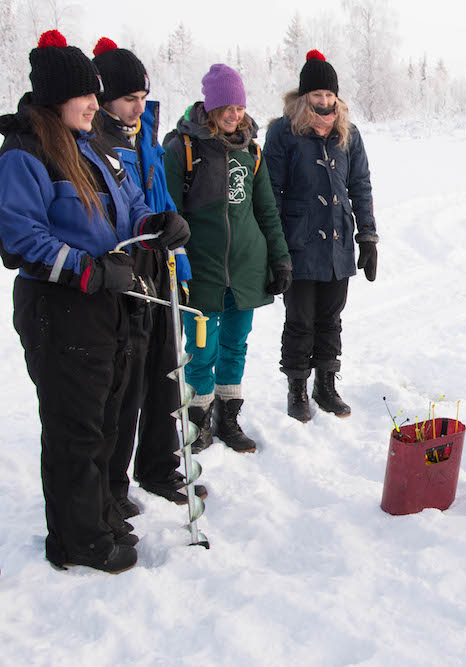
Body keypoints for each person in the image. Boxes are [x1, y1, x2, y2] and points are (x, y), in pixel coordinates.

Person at [0, 30, 189, 573]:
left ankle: (101, 511)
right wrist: (87, 269)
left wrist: (156, 225)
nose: (94, 104)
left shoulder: (92, 149)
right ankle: (77, 540)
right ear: (60, 96)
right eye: (87, 95)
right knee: (75, 427)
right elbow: (21, 240)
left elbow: (128, 211)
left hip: (109, 301)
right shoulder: (25, 154)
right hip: (61, 309)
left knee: (108, 417)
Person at [91, 37, 207, 513]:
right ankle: (112, 487)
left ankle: (159, 466)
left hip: (162, 260)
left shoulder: (144, 135)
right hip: (125, 266)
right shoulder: (95, 141)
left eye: (142, 98)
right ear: (102, 100)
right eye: (128, 99)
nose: (138, 107)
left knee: (165, 369)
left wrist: (180, 258)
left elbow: (160, 200)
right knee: (127, 383)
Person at [163, 63, 291, 453]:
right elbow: (170, 213)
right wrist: (176, 264)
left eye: (239, 106)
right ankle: (197, 421)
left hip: (247, 269)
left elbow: (266, 211)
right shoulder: (182, 149)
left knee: (236, 346)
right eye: (226, 107)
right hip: (200, 270)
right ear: (211, 107)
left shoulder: (252, 151)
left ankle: (228, 419)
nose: (234, 114)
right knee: (202, 350)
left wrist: (280, 260)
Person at [263, 49, 377, 422]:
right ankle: (297, 387)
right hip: (299, 240)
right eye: (317, 95)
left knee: (331, 317)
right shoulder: (283, 131)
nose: (324, 101)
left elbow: (360, 185)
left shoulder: (349, 133)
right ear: (304, 95)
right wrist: (275, 248)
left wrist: (368, 237)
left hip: (339, 242)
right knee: (300, 319)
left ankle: (325, 386)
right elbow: (270, 190)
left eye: (329, 95)